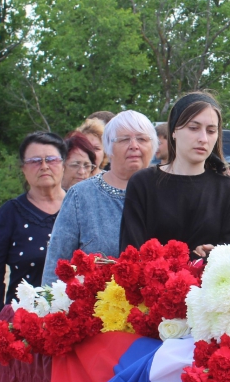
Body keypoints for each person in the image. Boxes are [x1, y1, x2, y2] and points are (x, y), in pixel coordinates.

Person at [119, 92, 230, 254]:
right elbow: (130, 254)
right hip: (151, 278)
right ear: (173, 131)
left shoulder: (226, 189)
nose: (203, 138)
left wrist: (216, 255)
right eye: (193, 128)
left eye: (211, 131)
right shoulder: (143, 183)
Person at [43, 110, 156, 286]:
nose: (134, 145)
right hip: (95, 309)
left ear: (153, 145)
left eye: (142, 139)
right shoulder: (81, 197)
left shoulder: (171, 192)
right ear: (108, 148)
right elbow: (56, 269)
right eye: (124, 139)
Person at [0, 133, 66, 328]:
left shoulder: (79, 208)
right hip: (24, 323)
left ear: (63, 164)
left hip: (76, 324)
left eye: (51, 159)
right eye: (35, 161)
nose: (44, 166)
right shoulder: (9, 214)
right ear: (23, 168)